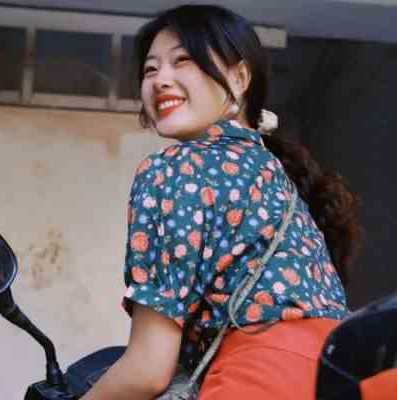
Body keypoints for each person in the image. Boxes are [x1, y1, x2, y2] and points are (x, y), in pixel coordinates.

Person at [81, 4, 363, 400]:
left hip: (257, 384)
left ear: (240, 77)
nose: (161, 80)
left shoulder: (172, 168)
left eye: (183, 60)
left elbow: (147, 370)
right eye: (150, 69)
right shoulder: (274, 170)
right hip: (345, 382)